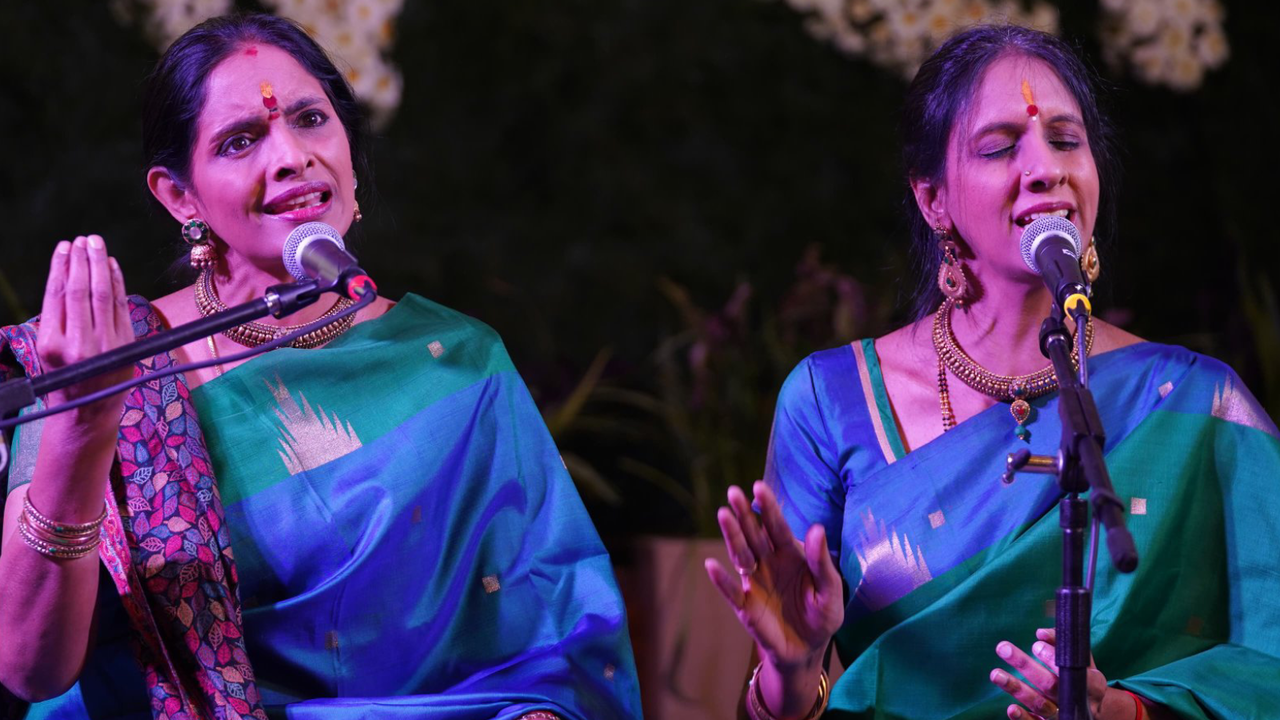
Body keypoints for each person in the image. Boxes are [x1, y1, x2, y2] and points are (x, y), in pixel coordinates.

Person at [0, 14, 640, 720]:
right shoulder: (107, 363)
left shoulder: (457, 362)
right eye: (241, 140)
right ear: (181, 196)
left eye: (310, 119)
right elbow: (32, 666)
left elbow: (551, 630)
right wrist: (85, 427)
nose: (291, 156)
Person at [705, 23, 1280, 720]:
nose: (1046, 169)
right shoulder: (831, 402)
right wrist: (791, 672)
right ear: (932, 198)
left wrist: (1122, 711)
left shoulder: (1195, 404)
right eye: (1000, 147)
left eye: (1067, 141)